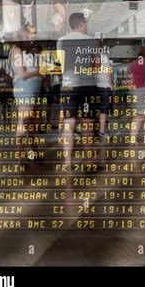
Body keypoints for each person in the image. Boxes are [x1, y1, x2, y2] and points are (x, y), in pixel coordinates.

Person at [58, 12, 100, 170]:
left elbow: (61, 66)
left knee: (68, 125)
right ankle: (89, 162)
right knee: (88, 124)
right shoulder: (91, 41)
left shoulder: (61, 41)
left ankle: (67, 163)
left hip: (69, 86)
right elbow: (96, 66)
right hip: (88, 86)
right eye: (86, 22)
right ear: (82, 23)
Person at [10, 26, 43, 164]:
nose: (32, 37)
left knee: (34, 124)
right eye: (29, 35)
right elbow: (22, 74)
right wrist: (39, 72)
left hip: (33, 89)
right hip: (25, 89)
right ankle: (22, 157)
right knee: (24, 122)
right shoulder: (16, 50)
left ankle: (34, 152)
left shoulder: (25, 51)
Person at [129, 47, 145, 147]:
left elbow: (132, 79)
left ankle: (132, 140)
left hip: (136, 92)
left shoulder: (132, 66)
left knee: (138, 116)